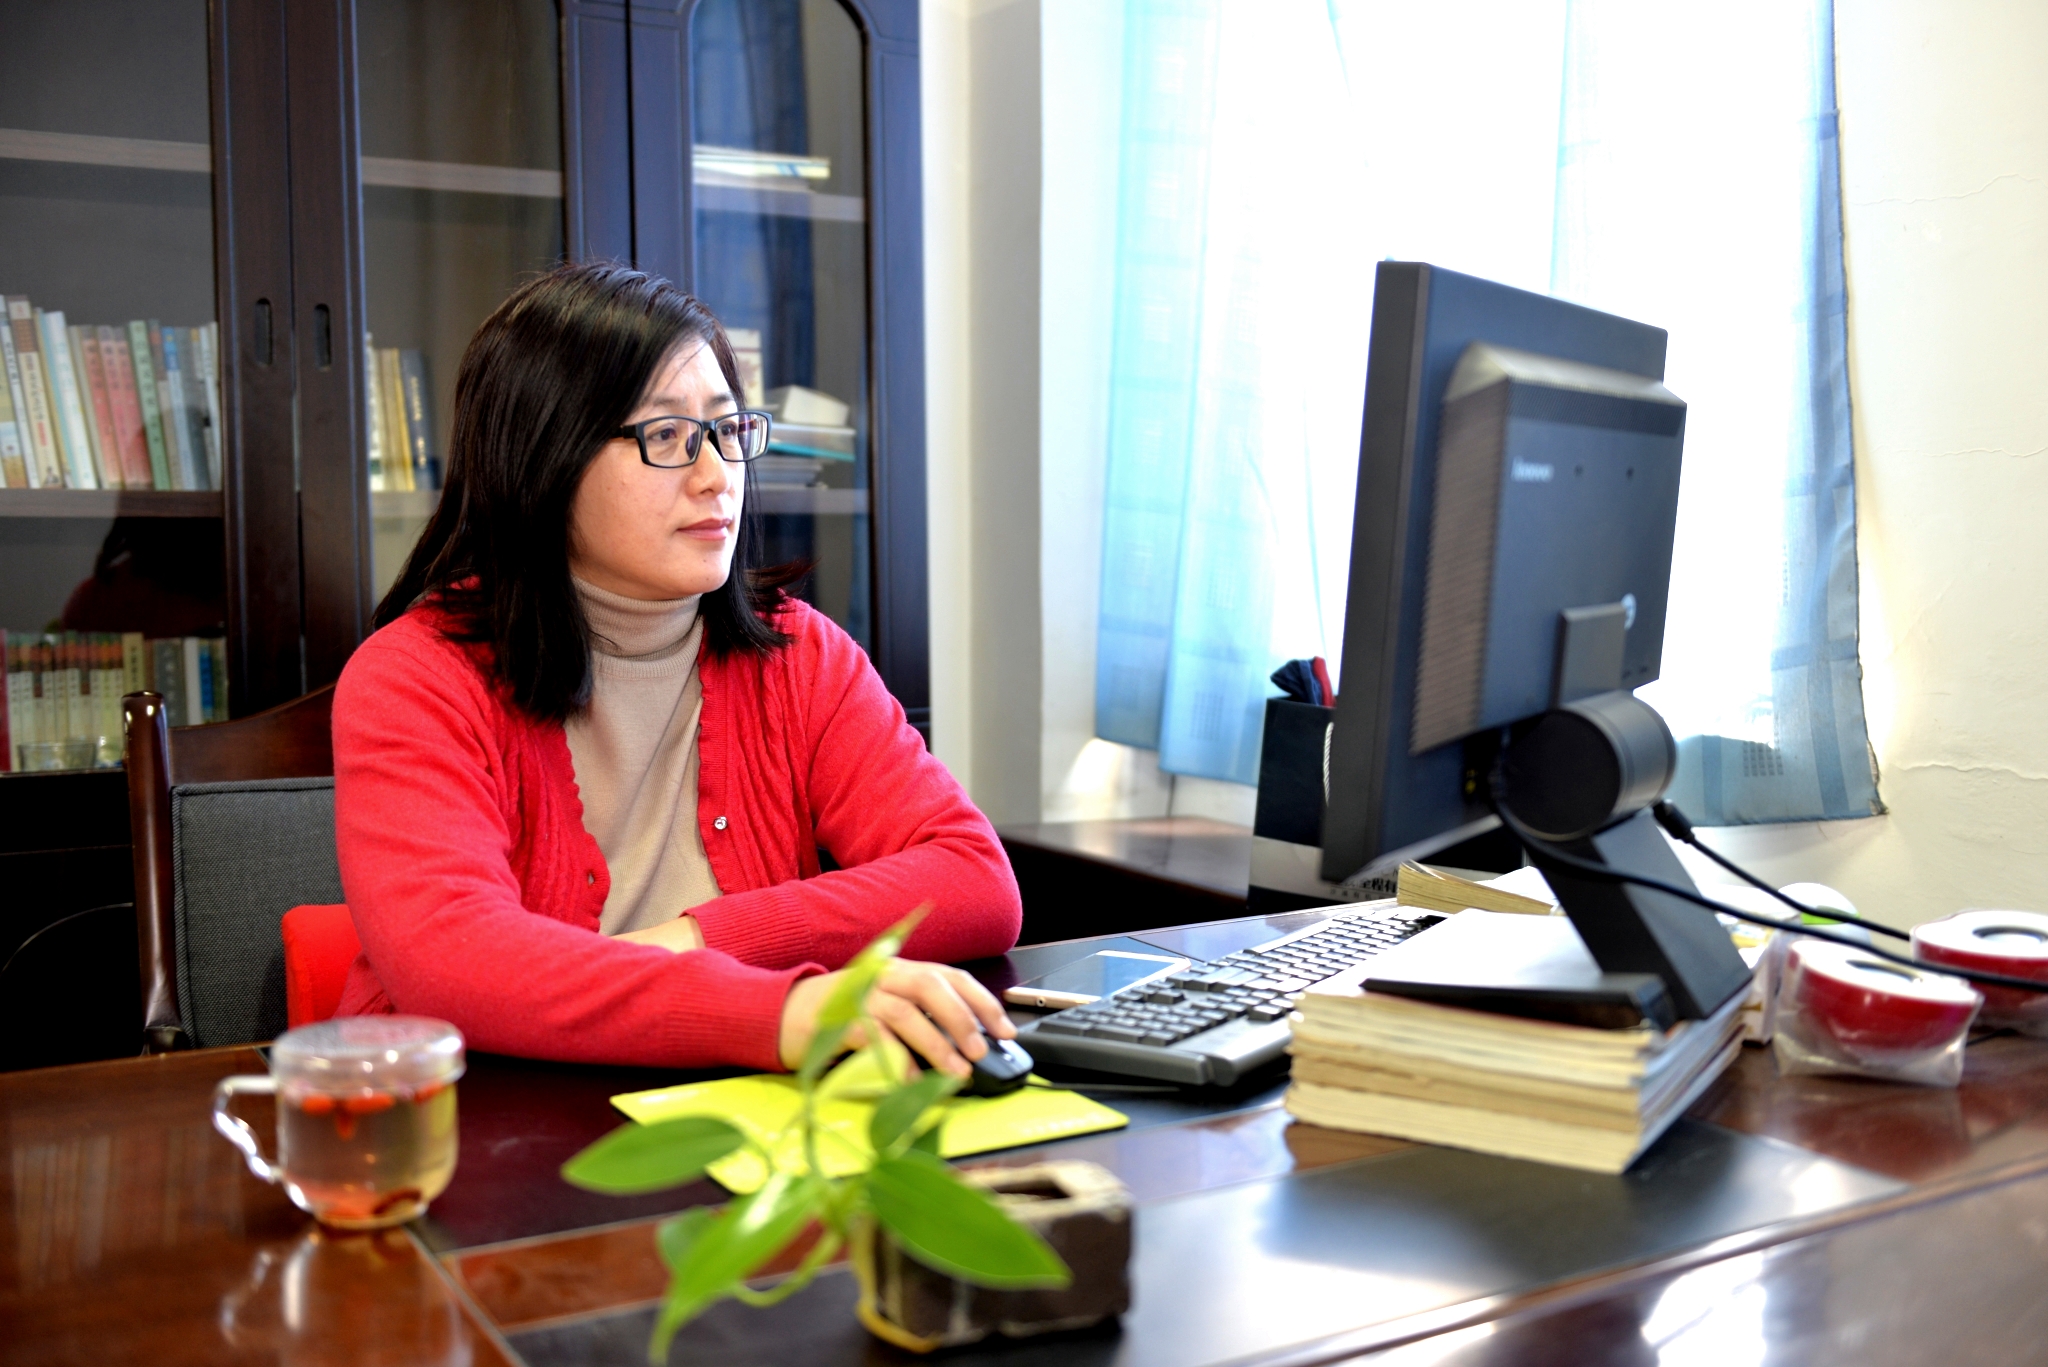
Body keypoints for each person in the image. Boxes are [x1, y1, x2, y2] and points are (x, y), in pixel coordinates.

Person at [331, 262, 1022, 1079]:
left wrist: (697, 937)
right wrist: (782, 1010)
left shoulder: (798, 655)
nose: (717, 475)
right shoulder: (415, 677)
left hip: (736, 1111)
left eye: (727, 431)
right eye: (666, 436)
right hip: (481, 1113)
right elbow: (453, 959)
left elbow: (974, 879)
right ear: (544, 457)